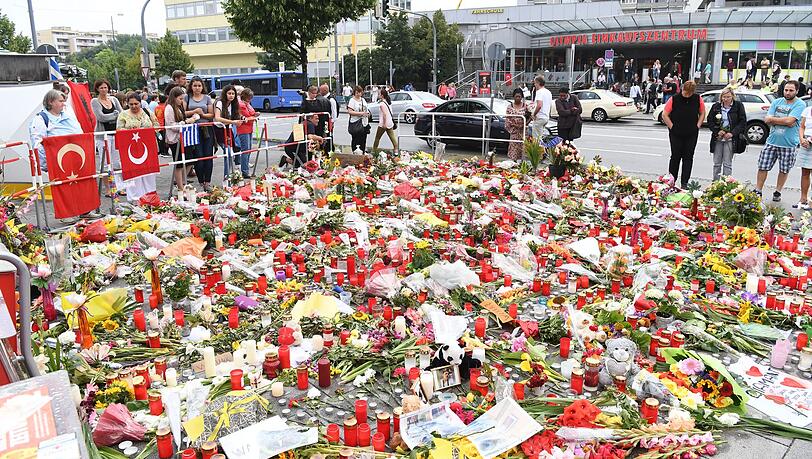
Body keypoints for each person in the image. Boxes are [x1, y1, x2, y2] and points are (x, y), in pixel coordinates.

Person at [756, 80, 806, 202]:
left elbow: (790, 121)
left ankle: (778, 191)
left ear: (797, 91)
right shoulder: (776, 102)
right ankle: (758, 191)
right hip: (771, 141)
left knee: (784, 169)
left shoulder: (800, 104)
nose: (788, 93)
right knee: (762, 166)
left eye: (791, 90)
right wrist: (783, 120)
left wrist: (775, 119)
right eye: (786, 90)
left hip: (788, 144)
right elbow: (767, 119)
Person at [116, 92, 159, 201]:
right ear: (127, 104)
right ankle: (135, 199)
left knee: (149, 172)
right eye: (131, 104)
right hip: (131, 150)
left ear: (141, 103)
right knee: (135, 175)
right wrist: (131, 131)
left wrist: (146, 131)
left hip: (148, 148)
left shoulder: (147, 112)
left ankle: (151, 197)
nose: (134, 106)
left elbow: (157, 126)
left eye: (136, 103)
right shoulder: (123, 114)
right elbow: (119, 130)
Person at [662, 80, 705, 188]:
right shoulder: (674, 99)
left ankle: (685, 183)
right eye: (686, 92)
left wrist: (698, 126)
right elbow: (665, 115)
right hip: (676, 133)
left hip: (691, 133)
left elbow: (702, 113)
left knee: (688, 157)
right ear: (682, 89)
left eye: (690, 93)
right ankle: (671, 181)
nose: (687, 95)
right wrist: (672, 127)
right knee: (675, 157)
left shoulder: (697, 98)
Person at [90, 79, 125, 194]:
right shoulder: (95, 101)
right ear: (97, 89)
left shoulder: (114, 99)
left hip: (115, 134)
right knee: (105, 163)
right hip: (103, 136)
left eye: (105, 87)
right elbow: (101, 117)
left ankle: (120, 187)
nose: (104, 90)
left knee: (117, 162)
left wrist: (114, 116)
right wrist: (114, 115)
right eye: (101, 88)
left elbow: (122, 114)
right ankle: (108, 188)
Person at [707, 88, 747, 181]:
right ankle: (715, 183)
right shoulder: (716, 106)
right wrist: (717, 131)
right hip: (718, 138)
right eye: (724, 97)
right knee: (717, 163)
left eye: (728, 97)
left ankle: (726, 184)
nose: (726, 99)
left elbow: (742, 122)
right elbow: (710, 121)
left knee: (727, 163)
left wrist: (732, 133)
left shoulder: (738, 106)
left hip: (730, 138)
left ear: (732, 96)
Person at [164, 86, 198, 192]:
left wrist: (190, 119)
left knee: (190, 160)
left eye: (183, 98)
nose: (182, 101)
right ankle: (180, 186)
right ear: (174, 98)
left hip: (183, 138)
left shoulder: (179, 107)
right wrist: (187, 122)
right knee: (178, 164)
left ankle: (182, 181)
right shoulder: (169, 108)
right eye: (180, 98)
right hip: (174, 139)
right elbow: (171, 126)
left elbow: (181, 119)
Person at [185, 76, 215, 191]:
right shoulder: (187, 97)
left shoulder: (207, 98)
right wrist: (194, 112)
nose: (197, 88)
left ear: (202, 87)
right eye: (194, 86)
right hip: (193, 129)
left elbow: (211, 114)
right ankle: (201, 181)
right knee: (198, 156)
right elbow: (184, 113)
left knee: (208, 155)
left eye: (199, 85)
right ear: (191, 87)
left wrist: (201, 114)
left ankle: (207, 182)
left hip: (206, 128)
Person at [214, 84, 246, 179]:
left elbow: (236, 115)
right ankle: (226, 177)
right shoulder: (220, 103)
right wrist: (233, 122)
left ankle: (230, 176)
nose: (231, 95)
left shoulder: (233, 104)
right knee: (227, 152)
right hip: (219, 129)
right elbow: (217, 117)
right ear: (225, 94)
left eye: (233, 93)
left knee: (231, 152)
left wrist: (242, 118)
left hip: (228, 129)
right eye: (229, 93)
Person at [236, 88, 257, 178]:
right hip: (243, 128)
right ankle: (245, 171)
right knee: (245, 150)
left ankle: (246, 169)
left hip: (249, 128)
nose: (250, 99)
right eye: (249, 97)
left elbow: (252, 114)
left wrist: (254, 115)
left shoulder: (247, 104)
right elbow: (248, 116)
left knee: (248, 150)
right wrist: (254, 115)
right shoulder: (242, 104)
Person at [505, 88, 529, 161]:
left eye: (519, 96)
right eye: (516, 96)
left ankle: (522, 164)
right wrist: (515, 125)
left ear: (522, 97)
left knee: (523, 149)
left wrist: (525, 124)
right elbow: (508, 119)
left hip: (523, 132)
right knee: (514, 149)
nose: (518, 98)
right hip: (514, 132)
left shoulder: (526, 106)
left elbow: (530, 117)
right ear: (513, 97)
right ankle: (513, 163)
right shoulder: (510, 107)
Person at [372, 88, 398, 154]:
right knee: (392, 138)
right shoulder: (388, 102)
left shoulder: (382, 104)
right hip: (390, 123)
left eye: (379, 94)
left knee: (377, 138)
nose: (378, 95)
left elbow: (384, 114)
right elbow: (390, 113)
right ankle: (396, 150)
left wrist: (384, 124)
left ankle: (374, 151)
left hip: (383, 124)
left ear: (382, 95)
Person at [796, 103, 812, 209]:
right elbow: (802, 126)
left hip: (810, 140)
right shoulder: (808, 110)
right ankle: (803, 199)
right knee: (805, 172)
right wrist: (802, 139)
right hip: (806, 143)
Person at [346, 85, 370, 153]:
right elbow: (350, 111)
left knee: (363, 139)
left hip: (364, 122)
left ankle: (362, 152)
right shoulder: (352, 100)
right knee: (356, 139)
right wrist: (360, 113)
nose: (358, 94)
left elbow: (366, 109)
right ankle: (355, 152)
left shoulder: (363, 100)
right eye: (357, 92)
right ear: (354, 93)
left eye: (360, 92)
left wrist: (367, 113)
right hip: (355, 122)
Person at [531, 75, 552, 140]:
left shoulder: (539, 92)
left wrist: (533, 114)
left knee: (536, 139)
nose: (534, 85)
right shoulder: (548, 92)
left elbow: (539, 105)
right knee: (540, 137)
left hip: (539, 117)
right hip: (546, 117)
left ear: (538, 83)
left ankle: (538, 150)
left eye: (535, 83)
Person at [320, 83, 338, 152]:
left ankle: (330, 150)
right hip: (324, 121)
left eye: (321, 90)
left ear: (324, 90)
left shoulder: (331, 99)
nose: (320, 92)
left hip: (328, 122)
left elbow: (334, 112)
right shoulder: (324, 98)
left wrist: (332, 122)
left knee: (328, 136)